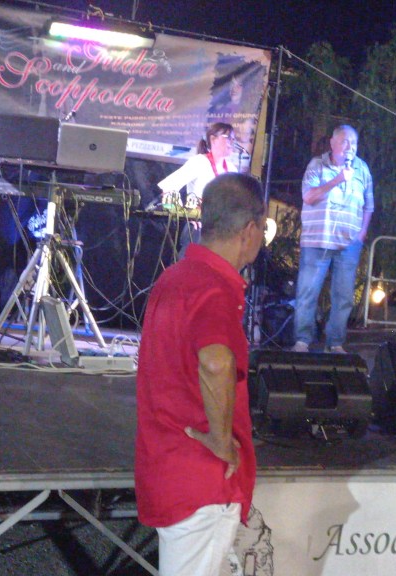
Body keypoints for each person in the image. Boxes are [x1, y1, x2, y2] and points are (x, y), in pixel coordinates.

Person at [135, 173, 265, 576]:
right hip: (202, 478)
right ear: (249, 230)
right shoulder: (214, 287)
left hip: (170, 467)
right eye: (264, 228)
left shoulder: (176, 276)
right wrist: (222, 441)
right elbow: (215, 361)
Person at [292, 125, 374, 354]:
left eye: (354, 143)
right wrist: (337, 180)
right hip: (317, 241)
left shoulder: (362, 169)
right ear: (333, 143)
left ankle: (335, 342)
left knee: (344, 296)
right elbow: (308, 196)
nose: (350, 147)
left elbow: (369, 205)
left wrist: (362, 232)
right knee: (308, 292)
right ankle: (302, 340)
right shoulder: (317, 165)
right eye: (346, 142)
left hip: (348, 244)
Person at [157, 123, 236, 253]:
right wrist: (186, 213)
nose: (231, 142)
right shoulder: (199, 162)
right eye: (227, 137)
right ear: (213, 139)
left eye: (233, 138)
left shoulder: (232, 169)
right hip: (199, 229)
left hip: (223, 232)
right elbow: (169, 186)